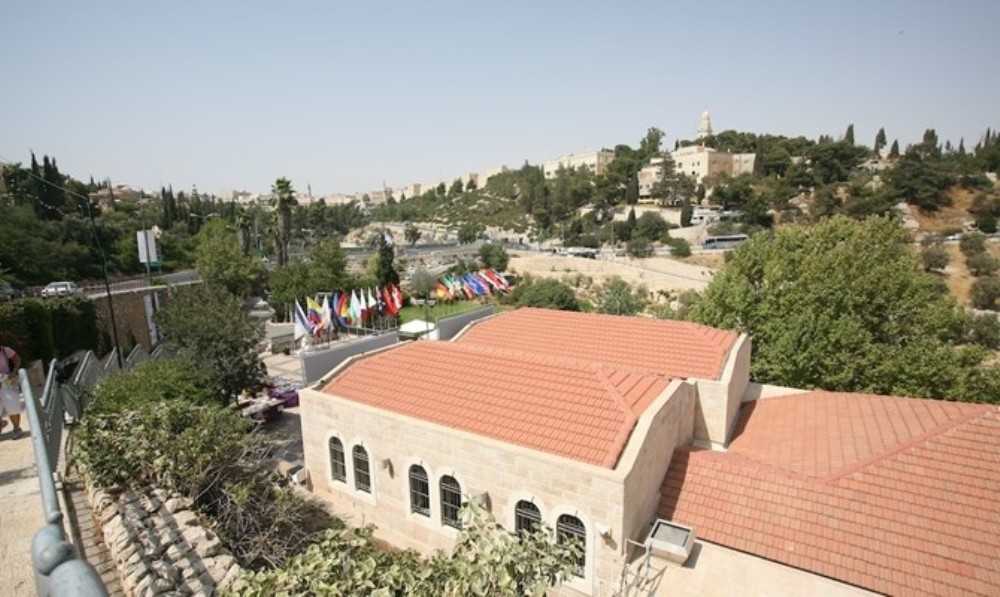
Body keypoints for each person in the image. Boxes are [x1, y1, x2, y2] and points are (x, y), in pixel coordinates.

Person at [0, 344, 23, 436]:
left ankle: (17, 428)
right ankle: (1, 424)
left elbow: (17, 360)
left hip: (6, 381)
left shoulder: (5, 350)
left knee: (12, 406)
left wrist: (14, 372)